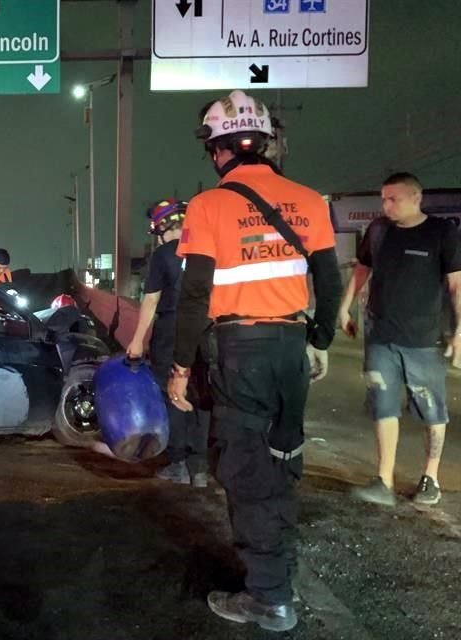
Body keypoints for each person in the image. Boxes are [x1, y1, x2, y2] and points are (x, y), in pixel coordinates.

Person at [167, 90, 342, 632]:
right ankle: (278, 573)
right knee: (282, 454)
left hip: (240, 351)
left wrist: (178, 367)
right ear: (266, 143)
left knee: (246, 467)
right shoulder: (309, 199)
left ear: (218, 151)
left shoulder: (208, 205)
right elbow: (330, 281)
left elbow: (195, 294)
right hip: (291, 346)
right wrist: (320, 339)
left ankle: (269, 597)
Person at [341, 172, 461, 507]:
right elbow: (362, 270)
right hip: (381, 337)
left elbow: (456, 285)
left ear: (416, 198)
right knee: (384, 407)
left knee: (432, 411)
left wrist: (460, 333)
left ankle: (430, 477)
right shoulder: (378, 231)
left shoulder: (442, 233)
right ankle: (384, 479)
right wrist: (344, 309)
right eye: (384, 198)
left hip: (425, 340)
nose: (386, 205)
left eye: (394, 198)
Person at [126, 198, 211, 488]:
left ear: (161, 228)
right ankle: (200, 467)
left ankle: (178, 463)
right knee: (200, 394)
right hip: (206, 329)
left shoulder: (164, 254)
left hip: (172, 331)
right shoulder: (209, 248)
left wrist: (137, 341)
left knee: (174, 393)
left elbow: (151, 300)